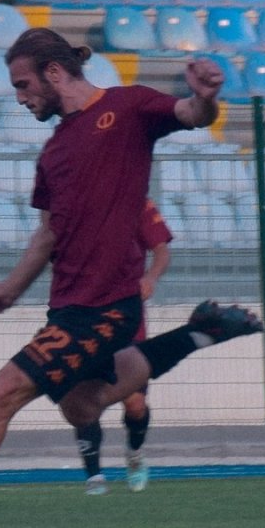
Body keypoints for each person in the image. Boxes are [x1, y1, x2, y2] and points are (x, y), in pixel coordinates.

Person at [0, 28, 263, 527]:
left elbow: (190, 115)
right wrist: (10, 288)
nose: (20, 98)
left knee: (4, 392)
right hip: (68, 305)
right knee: (82, 407)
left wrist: (206, 99)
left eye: (23, 85)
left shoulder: (126, 109)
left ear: (54, 73)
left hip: (105, 305)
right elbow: (47, 235)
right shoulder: (54, 153)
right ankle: (200, 332)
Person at [75, 199, 172, 495]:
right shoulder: (79, 203)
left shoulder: (138, 204)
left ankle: (134, 453)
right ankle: (94, 477)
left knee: (135, 403)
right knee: (85, 399)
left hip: (128, 320)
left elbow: (161, 251)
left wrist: (151, 277)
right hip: (84, 318)